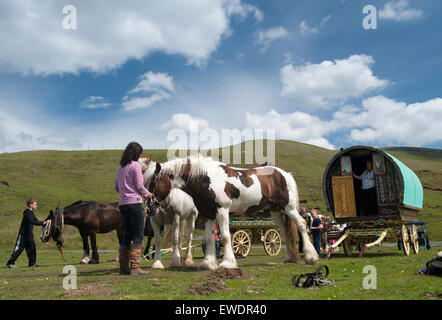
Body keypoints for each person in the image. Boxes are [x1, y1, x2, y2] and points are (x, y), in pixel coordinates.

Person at [115, 142, 152, 275]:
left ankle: (123, 268)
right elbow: (140, 186)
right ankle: (135, 267)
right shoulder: (135, 165)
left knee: (126, 236)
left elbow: (117, 188)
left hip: (123, 204)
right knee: (138, 235)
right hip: (134, 203)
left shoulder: (120, 167)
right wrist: (149, 194)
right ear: (136, 154)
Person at [6, 199, 48, 268]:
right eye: (35, 204)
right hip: (23, 235)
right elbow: (32, 221)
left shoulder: (31, 213)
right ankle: (10, 263)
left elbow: (36, 221)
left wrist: (45, 222)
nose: (36, 206)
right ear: (31, 205)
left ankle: (32, 263)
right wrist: (43, 223)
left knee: (32, 249)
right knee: (18, 249)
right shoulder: (27, 213)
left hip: (29, 235)